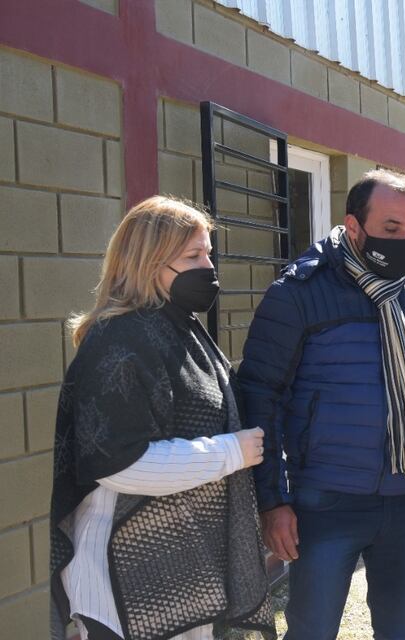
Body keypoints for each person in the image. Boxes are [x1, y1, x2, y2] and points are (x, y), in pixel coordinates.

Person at [238, 169, 405, 640]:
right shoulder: (298, 293)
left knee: (402, 632)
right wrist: (273, 501)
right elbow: (259, 397)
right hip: (325, 502)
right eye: (391, 229)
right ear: (353, 226)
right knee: (311, 632)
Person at [49, 197, 274, 640]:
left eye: (208, 252)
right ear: (149, 262)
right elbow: (116, 462)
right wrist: (232, 451)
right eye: (193, 256)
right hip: (120, 570)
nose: (208, 266)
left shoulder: (181, 327)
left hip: (180, 565)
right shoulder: (120, 338)